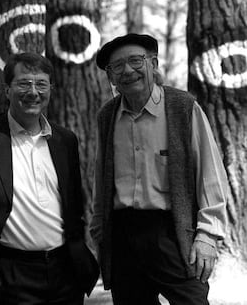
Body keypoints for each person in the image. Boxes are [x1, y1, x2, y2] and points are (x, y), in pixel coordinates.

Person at [90, 33, 228, 305]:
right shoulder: (107, 116)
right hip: (123, 236)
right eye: (117, 66)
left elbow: (210, 174)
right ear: (111, 76)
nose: (128, 71)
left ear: (153, 64)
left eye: (135, 61)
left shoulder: (182, 107)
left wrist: (208, 236)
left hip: (172, 233)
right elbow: (101, 178)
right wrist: (99, 232)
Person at [0, 52, 99, 305]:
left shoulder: (65, 140)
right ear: (6, 89)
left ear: (51, 89)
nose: (33, 92)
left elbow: (74, 206)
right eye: (24, 83)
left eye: (41, 84)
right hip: (10, 275)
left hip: (65, 272)